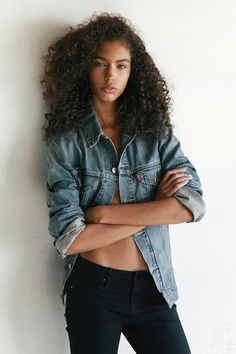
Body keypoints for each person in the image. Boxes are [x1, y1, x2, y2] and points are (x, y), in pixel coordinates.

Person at [41, 12, 206, 354]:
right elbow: (71, 239)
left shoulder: (155, 132)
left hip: (154, 287)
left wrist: (103, 214)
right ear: (83, 68)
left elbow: (192, 205)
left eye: (121, 65)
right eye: (100, 64)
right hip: (94, 288)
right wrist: (154, 210)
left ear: (134, 71)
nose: (110, 75)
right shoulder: (65, 145)